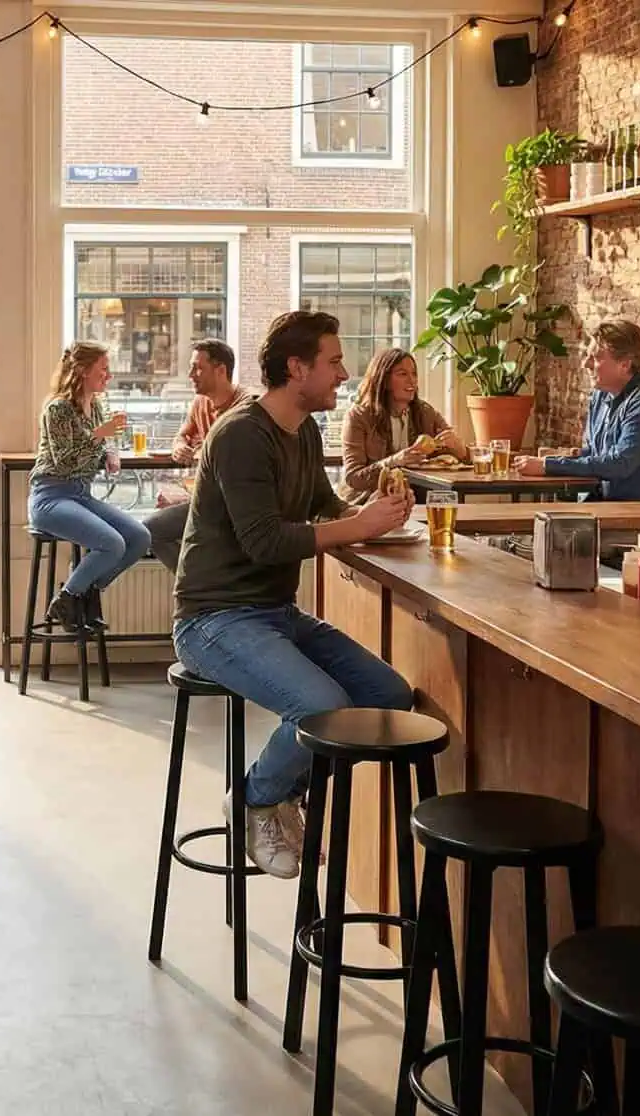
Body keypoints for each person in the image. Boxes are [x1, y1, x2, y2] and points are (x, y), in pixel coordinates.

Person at [173, 311, 416, 878]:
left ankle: (288, 790)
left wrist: (373, 517)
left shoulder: (304, 430)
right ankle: (256, 797)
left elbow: (323, 506)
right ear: (296, 367)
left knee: (387, 695)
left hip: (273, 613)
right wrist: (356, 528)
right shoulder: (238, 435)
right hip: (213, 620)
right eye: (333, 362)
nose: (344, 372)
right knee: (323, 706)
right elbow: (263, 541)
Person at [28, 342, 153, 632]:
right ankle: (68, 599)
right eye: (103, 370)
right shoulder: (57, 409)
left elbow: (103, 443)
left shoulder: (95, 405)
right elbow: (66, 460)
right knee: (111, 543)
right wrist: (100, 435)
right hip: (50, 496)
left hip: (80, 494)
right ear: (83, 371)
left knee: (139, 537)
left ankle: (83, 591)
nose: (108, 376)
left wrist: (111, 451)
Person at [512, 320, 640, 500]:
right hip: (607, 503)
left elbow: (619, 464)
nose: (586, 364)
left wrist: (547, 465)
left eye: (596, 357)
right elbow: (594, 454)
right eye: (587, 355)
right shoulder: (601, 395)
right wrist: (562, 458)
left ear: (625, 364)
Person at [144, 339, 248, 570]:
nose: (191, 374)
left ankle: (199, 584)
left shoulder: (245, 408)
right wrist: (179, 445)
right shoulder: (200, 402)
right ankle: (202, 584)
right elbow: (183, 435)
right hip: (206, 499)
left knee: (152, 530)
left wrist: (198, 453)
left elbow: (226, 456)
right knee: (149, 531)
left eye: (197, 368)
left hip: (230, 508)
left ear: (221, 371)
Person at [340, 347, 466, 503]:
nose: (412, 380)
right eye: (402, 374)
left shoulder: (425, 412)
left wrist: (461, 451)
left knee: (449, 501)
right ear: (384, 380)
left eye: (414, 374)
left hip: (414, 498)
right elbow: (354, 478)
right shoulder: (358, 417)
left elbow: (461, 457)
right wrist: (395, 461)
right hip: (366, 501)